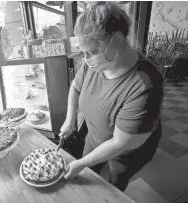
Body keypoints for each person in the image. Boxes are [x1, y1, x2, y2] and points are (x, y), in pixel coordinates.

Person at [61, 1, 164, 192]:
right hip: (94, 136)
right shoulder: (94, 63)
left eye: (90, 52)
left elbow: (119, 143)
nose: (85, 60)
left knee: (115, 183)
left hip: (126, 151)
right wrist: (70, 120)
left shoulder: (145, 85)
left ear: (116, 40)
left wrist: (82, 163)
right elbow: (75, 87)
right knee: (86, 171)